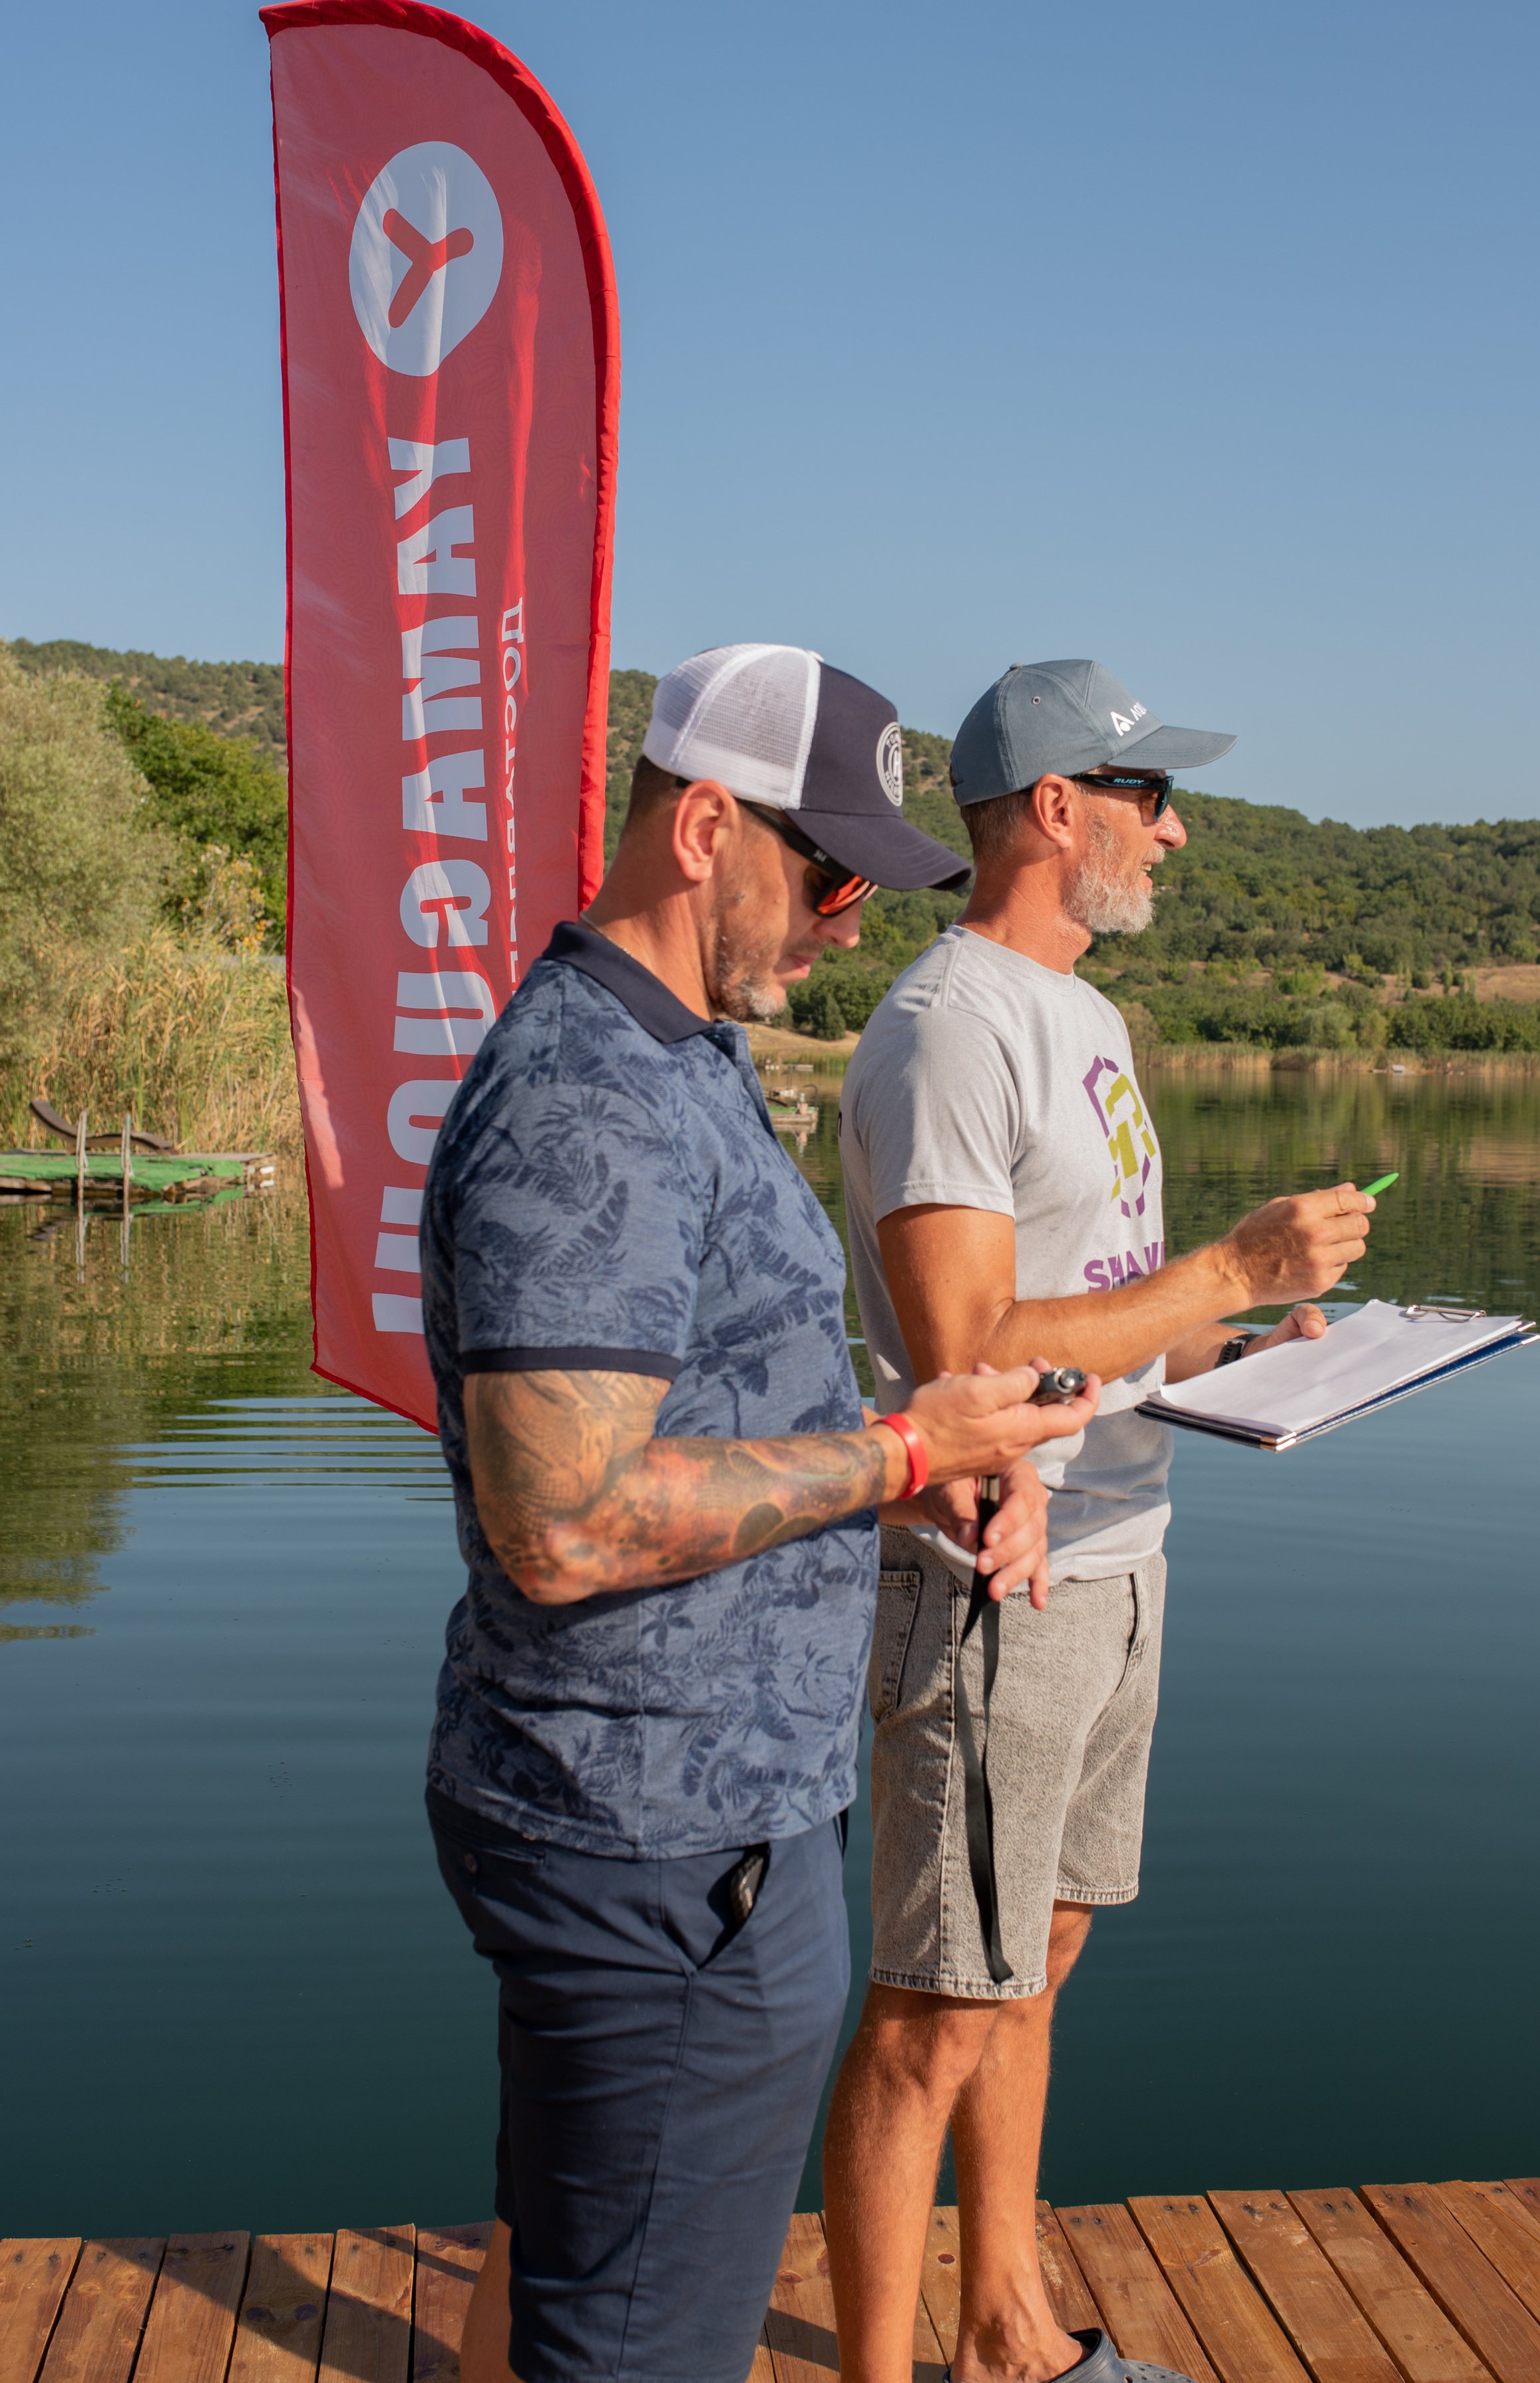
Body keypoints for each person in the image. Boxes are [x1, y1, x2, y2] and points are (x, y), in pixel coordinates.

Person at [417, 642, 1101, 2383]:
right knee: (637, 2344)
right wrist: (899, 1455)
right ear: (707, 826)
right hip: (655, 1847)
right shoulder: (586, 1099)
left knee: (572, 2276)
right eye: (831, 877)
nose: (846, 926)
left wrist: (930, 1468)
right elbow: (566, 1518)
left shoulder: (680, 1051)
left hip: (681, 1826)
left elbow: (710, 1427)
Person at [825, 658, 1378, 2383]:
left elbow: (1110, 1311)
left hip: (1122, 1553)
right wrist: (1231, 1262)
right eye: (1150, 797)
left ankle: (1007, 2334)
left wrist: (1249, 1339)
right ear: (1055, 808)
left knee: (1039, 1957)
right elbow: (969, 1350)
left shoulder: (1092, 1024)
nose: (1176, 830)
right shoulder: (949, 1026)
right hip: (992, 1573)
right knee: (934, 2007)